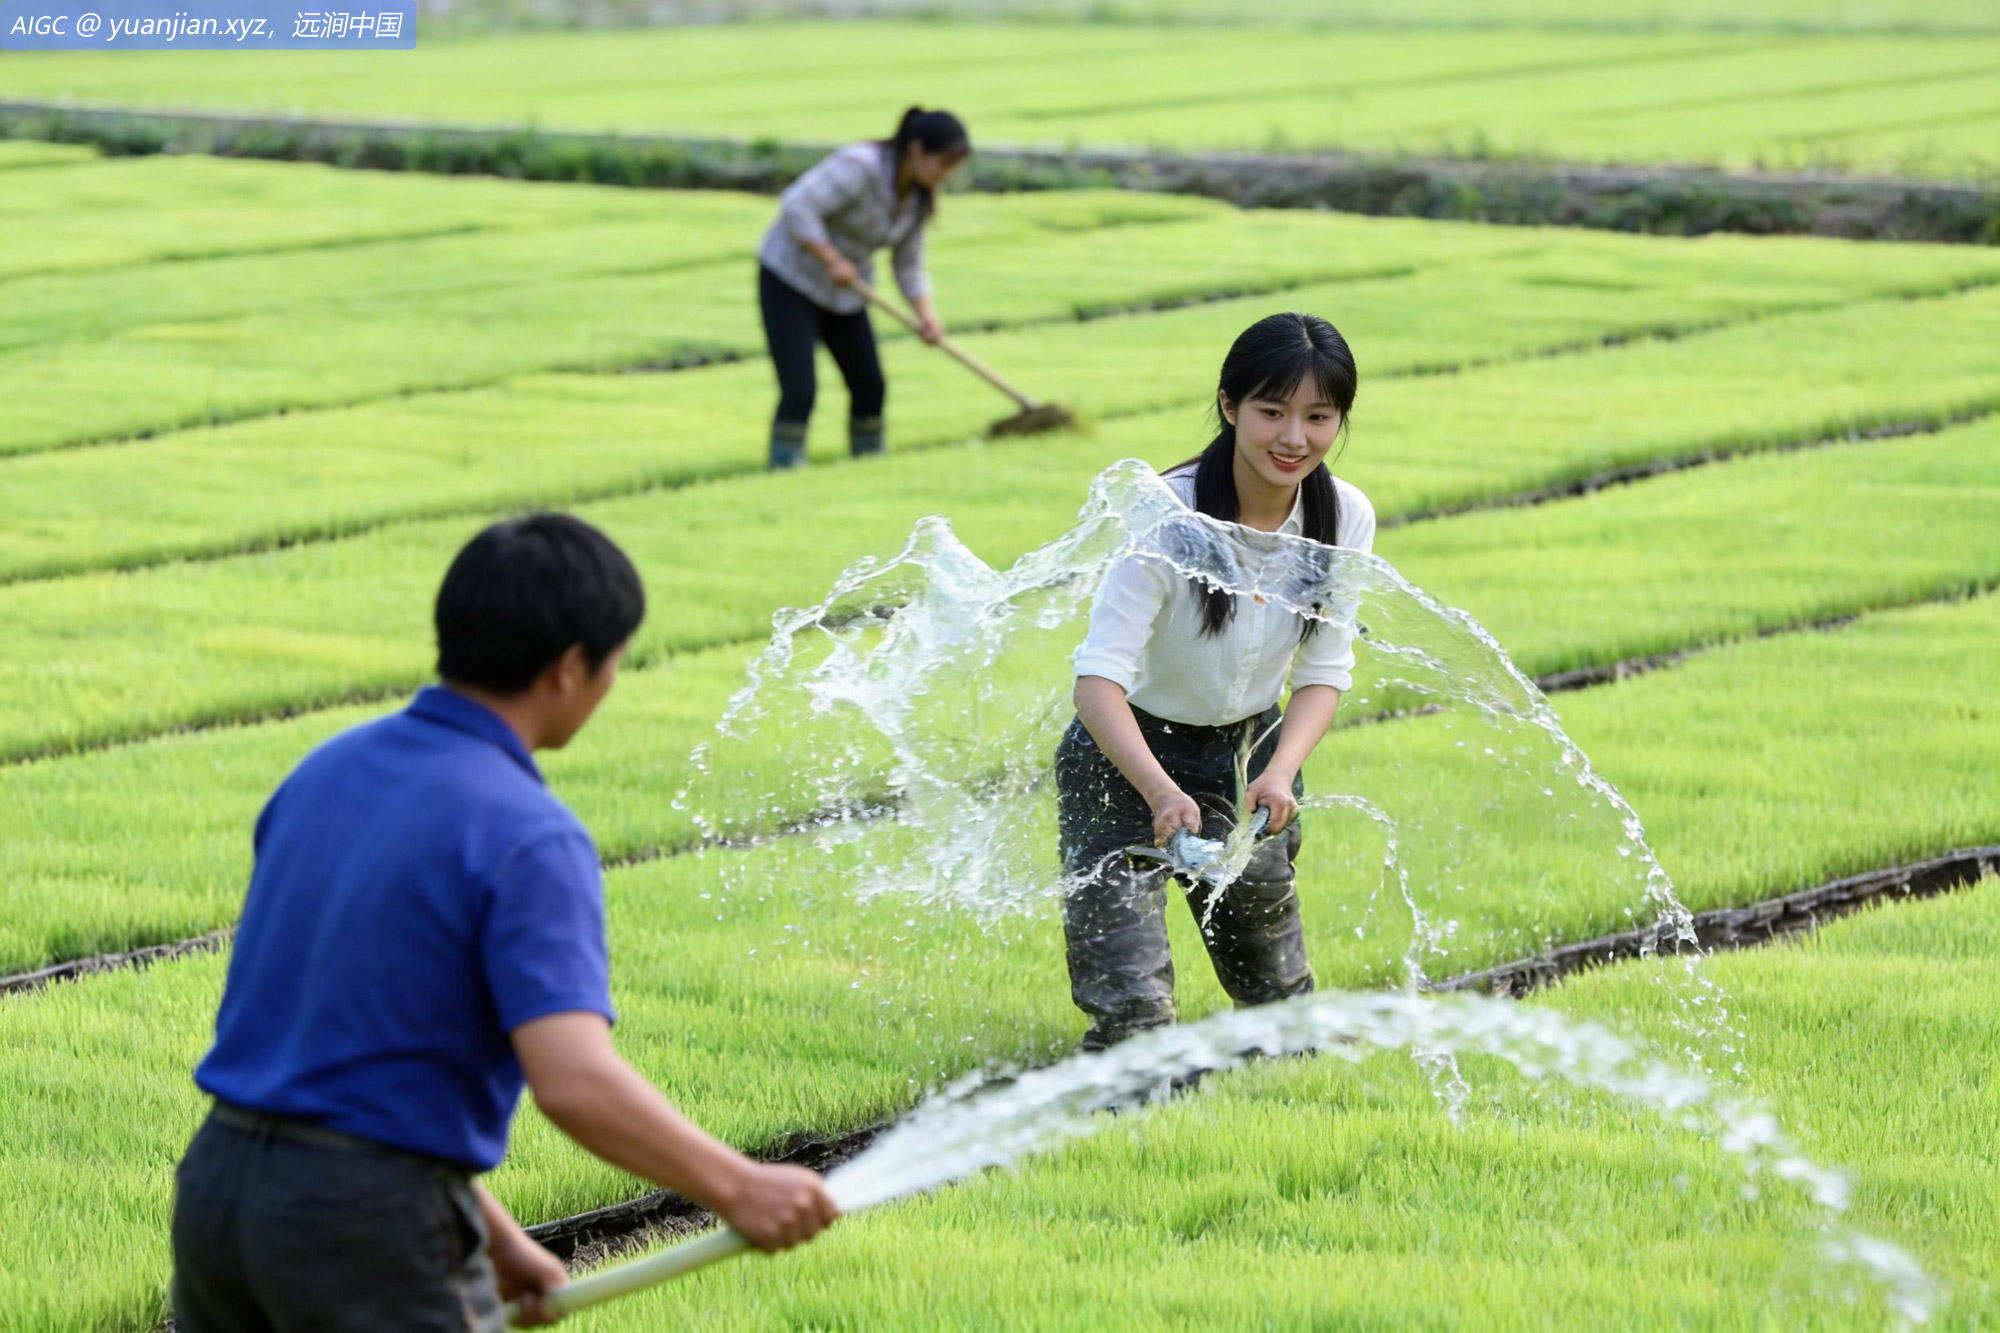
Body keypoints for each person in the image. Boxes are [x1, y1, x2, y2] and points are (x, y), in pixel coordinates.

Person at [171, 514, 838, 1331]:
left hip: (220, 1191)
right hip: (362, 1228)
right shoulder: (528, 834)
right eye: (615, 663)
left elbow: (334, 1056)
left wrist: (486, 1227)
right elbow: (575, 1082)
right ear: (568, 668)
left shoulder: (325, 772)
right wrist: (741, 1185)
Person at [1056, 313, 1376, 1051]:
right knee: (1133, 1019)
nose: (1294, 437)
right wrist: (1159, 791)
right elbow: (1098, 679)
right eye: (1272, 412)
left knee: (1282, 1010)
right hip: (1122, 754)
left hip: (1243, 753)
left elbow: (1324, 672)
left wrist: (1281, 770)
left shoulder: (1343, 517)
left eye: (1319, 416)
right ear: (1229, 405)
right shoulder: (1166, 514)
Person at [757, 105, 970, 469]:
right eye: (944, 164)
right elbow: (797, 205)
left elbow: (908, 262)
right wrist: (829, 257)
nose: (944, 176)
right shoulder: (861, 166)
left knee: (869, 384)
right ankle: (785, 468)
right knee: (800, 389)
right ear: (917, 150)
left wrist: (926, 315)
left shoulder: (917, 198)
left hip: (845, 291)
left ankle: (869, 464)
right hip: (792, 279)